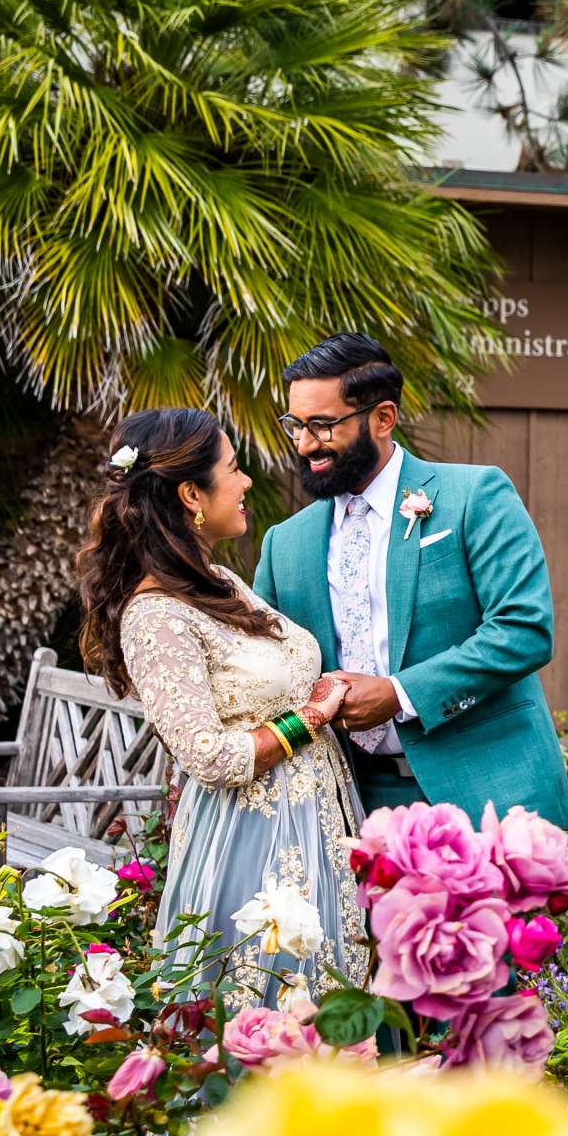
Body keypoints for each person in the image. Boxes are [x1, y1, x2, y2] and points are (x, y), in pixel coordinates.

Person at [76, 407, 367, 1009]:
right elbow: (208, 756)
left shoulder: (218, 582)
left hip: (320, 823)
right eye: (234, 469)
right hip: (249, 844)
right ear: (191, 494)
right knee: (267, 1011)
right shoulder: (156, 615)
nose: (247, 482)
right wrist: (311, 717)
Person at [251, 332, 568, 828]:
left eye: (322, 425)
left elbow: (523, 629)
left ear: (383, 418)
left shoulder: (474, 495)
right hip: (346, 809)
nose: (303, 444)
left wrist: (399, 693)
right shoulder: (284, 544)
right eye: (295, 424)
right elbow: (267, 670)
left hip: (484, 794)